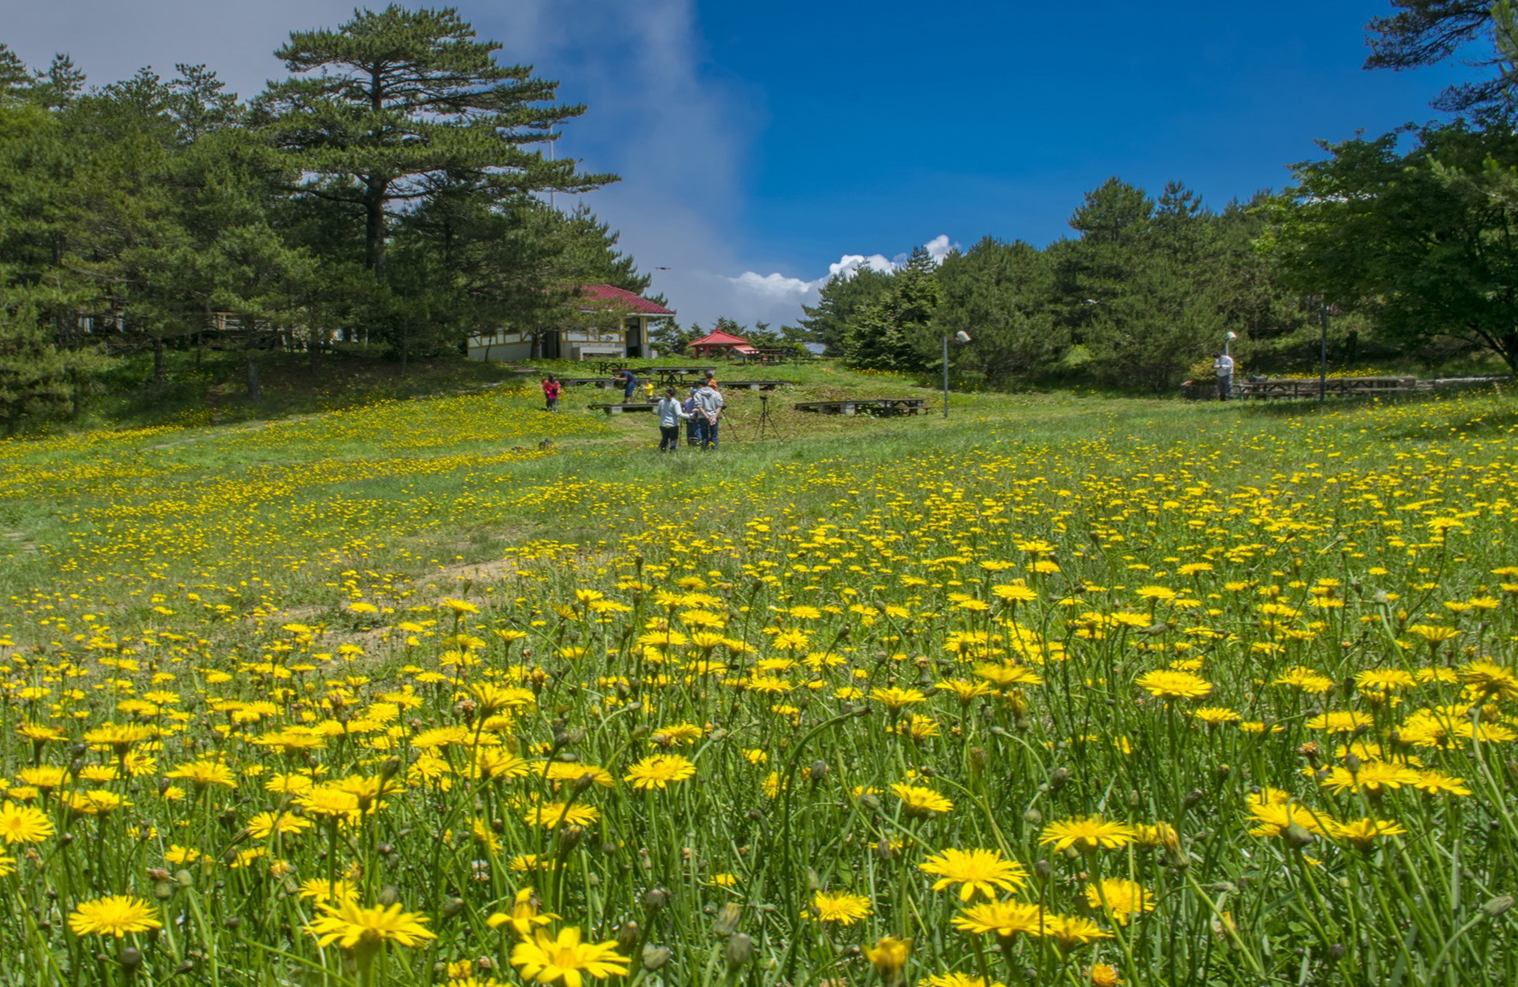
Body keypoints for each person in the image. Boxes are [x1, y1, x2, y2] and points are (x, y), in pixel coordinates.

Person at [655, 387, 689, 453]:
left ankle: (662, 451)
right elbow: (679, 414)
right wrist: (690, 416)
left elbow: (658, 413)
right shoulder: (675, 402)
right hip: (673, 424)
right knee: (673, 439)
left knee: (664, 438)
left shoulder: (661, 402)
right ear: (675, 394)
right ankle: (672, 452)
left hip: (663, 424)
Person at [693, 377, 724, 450]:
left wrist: (707, 417)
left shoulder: (697, 394)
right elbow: (720, 405)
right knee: (714, 436)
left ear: (700, 385)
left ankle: (704, 450)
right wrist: (714, 417)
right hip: (714, 417)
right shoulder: (716, 393)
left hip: (703, 417)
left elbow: (700, 407)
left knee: (704, 436)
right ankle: (715, 451)